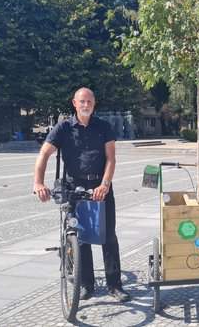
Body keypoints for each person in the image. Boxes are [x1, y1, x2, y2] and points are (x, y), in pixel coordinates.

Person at [33, 87, 130, 302]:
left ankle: (115, 285)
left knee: (108, 236)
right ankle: (86, 284)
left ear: (94, 104)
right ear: (74, 103)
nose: (86, 105)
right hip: (74, 187)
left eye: (89, 102)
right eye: (82, 101)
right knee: (82, 238)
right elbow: (44, 153)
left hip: (100, 186)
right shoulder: (63, 128)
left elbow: (111, 159)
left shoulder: (103, 127)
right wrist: (38, 182)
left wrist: (105, 184)